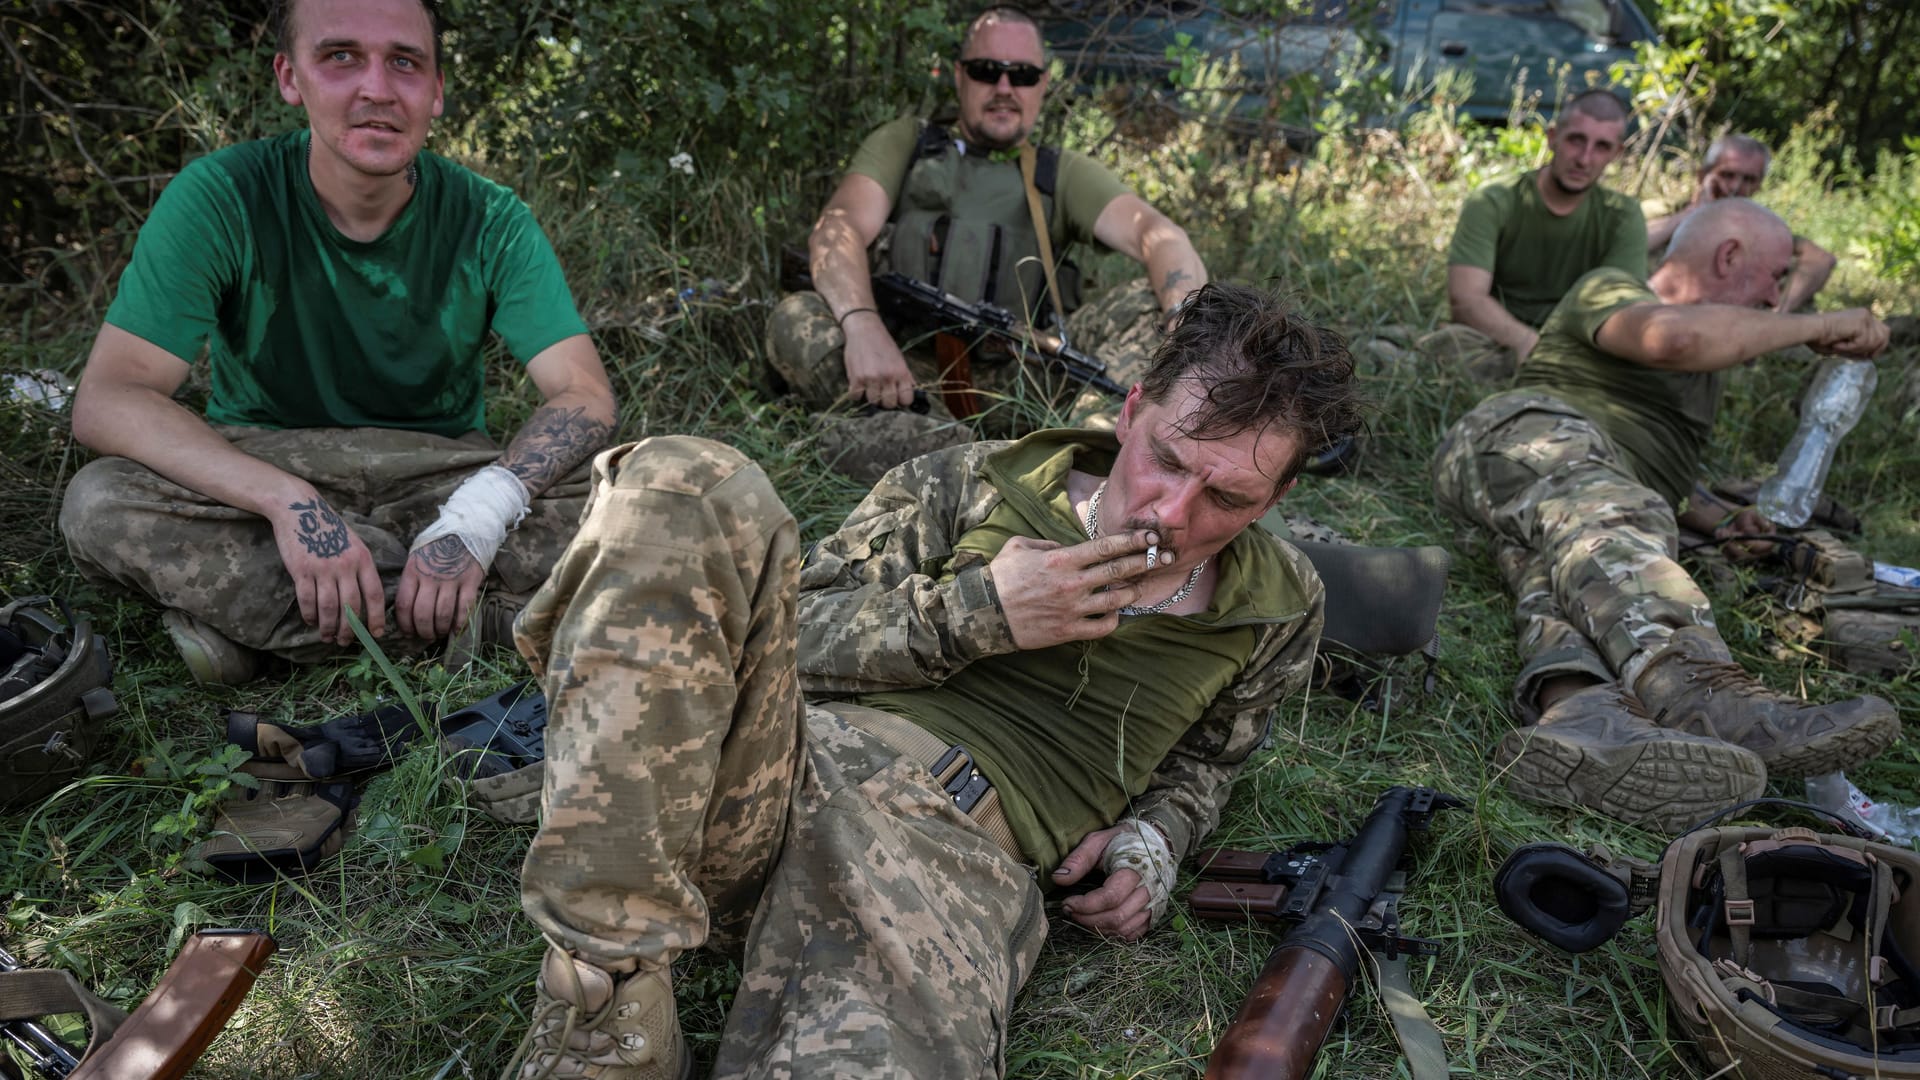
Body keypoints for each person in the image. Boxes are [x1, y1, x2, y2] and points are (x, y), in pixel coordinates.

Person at [503, 283, 1361, 1079]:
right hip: (777, 771)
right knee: (681, 481)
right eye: (1168, 460)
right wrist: (976, 611)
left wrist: (1159, 837)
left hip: (944, 865)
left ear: (1276, 498)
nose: (1172, 513)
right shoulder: (976, 483)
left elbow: (1211, 761)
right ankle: (608, 996)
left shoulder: (1278, 604)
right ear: (1133, 411)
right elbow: (773, 636)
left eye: (1228, 497)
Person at [57, 0, 616, 685]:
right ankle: (491, 623)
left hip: (439, 476)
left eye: (405, 63)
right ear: (291, 78)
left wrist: (480, 513)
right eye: (341, 57)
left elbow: (584, 395)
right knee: (101, 502)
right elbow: (111, 396)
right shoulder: (223, 194)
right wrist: (288, 502)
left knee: (633, 499)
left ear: (436, 91)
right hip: (262, 468)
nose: (377, 88)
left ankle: (262, 630)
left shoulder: (490, 218)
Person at [1431, 197, 1899, 832]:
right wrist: (1818, 326)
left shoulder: (1696, 385)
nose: (1774, 297)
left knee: (1560, 570)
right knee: (1610, 514)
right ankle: (1696, 686)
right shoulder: (1614, 289)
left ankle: (1580, 716)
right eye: (1774, 276)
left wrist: (1712, 517)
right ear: (1730, 254)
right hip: (1525, 434)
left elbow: (1652, 485)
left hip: (1543, 490)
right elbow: (1673, 336)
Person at [765, 6, 1208, 480]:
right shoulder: (907, 144)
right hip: (901, 373)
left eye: (1021, 75)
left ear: (1042, 83)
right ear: (959, 76)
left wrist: (1185, 327)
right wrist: (862, 326)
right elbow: (839, 228)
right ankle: (1014, 467)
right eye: (985, 71)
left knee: (1149, 306)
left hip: (1026, 382)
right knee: (796, 318)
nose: (1003, 88)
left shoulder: (1059, 173)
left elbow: (1159, 236)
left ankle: (1083, 445)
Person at [1436, 89, 1647, 382]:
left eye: (1601, 147)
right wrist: (1529, 345)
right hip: (1498, 337)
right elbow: (1466, 300)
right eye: (1576, 140)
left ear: (1616, 153)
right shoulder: (1494, 201)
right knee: (1448, 347)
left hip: (1578, 347)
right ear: (1552, 137)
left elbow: (1621, 311)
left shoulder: (1622, 216)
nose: (1584, 159)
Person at [1646, 133, 1837, 312]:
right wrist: (1693, 213)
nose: (1735, 187)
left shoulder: (1759, 228)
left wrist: (1777, 314)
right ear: (1703, 175)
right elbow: (1629, 243)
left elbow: (1821, 260)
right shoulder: (1663, 210)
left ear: (1759, 185)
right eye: (1727, 175)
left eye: (1748, 179)